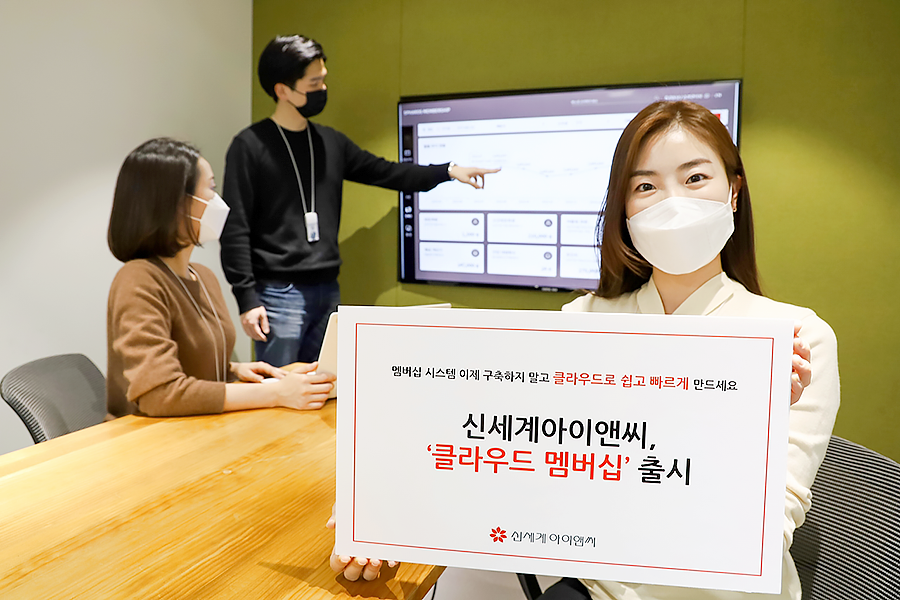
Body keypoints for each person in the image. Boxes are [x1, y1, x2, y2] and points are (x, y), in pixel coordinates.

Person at [541, 101, 839, 600]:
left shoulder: (795, 338)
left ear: (734, 191)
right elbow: (545, 478)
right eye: (645, 186)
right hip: (598, 587)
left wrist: (745, 422)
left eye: (695, 178)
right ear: (624, 210)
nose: (672, 202)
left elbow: (766, 533)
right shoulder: (582, 323)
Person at [220, 34, 499, 368]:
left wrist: (448, 171)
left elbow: (388, 173)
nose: (323, 88)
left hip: (328, 290)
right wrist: (246, 298)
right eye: (314, 83)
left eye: (324, 80)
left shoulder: (330, 142)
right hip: (279, 295)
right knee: (279, 387)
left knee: (325, 384)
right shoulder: (250, 146)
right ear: (283, 90)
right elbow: (235, 227)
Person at [106, 138, 335, 418]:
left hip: (200, 428)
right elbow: (160, 394)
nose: (219, 201)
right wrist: (276, 393)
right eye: (211, 189)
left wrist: (234, 370)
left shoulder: (203, 276)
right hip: (151, 439)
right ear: (177, 204)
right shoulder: (138, 279)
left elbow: (190, 363)